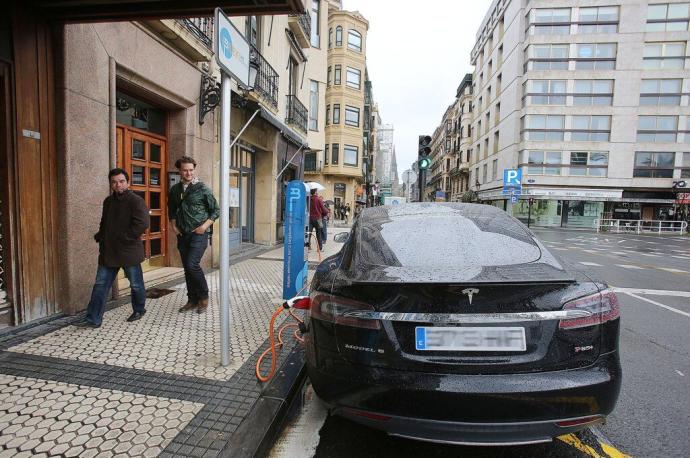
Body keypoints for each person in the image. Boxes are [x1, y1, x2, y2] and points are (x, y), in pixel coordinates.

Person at [78, 168, 150, 328]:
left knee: (136, 284)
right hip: (109, 252)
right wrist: (100, 234)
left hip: (128, 251)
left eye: (121, 181)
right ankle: (93, 318)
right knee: (100, 285)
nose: (118, 185)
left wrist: (125, 238)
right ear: (111, 184)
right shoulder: (108, 201)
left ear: (128, 182)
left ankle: (139, 309)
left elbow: (143, 223)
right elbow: (104, 222)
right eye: (114, 182)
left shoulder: (136, 200)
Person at [168, 156, 220, 314]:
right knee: (187, 268)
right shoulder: (175, 190)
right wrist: (174, 228)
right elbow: (172, 210)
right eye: (185, 170)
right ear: (179, 171)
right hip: (182, 234)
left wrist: (203, 227)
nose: (188, 173)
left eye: (191, 170)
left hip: (199, 234)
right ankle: (192, 300)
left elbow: (216, 210)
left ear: (194, 169)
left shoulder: (202, 188)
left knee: (192, 264)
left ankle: (203, 297)